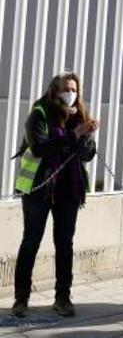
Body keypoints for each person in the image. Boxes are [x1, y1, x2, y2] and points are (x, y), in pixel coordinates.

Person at [11, 72, 98, 318]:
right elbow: (38, 147)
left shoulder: (80, 116)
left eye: (75, 89)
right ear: (53, 91)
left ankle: (63, 297)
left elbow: (86, 155)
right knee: (31, 242)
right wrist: (74, 135)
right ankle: (21, 298)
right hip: (39, 189)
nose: (71, 93)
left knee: (64, 243)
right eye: (66, 89)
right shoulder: (38, 115)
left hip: (68, 191)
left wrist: (87, 136)